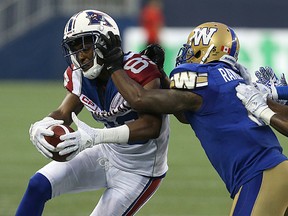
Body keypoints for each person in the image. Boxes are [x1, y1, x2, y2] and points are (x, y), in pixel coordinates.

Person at [96, 22, 288, 215]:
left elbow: (141, 100)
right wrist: (161, 76)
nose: (187, 54)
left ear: (208, 49)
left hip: (260, 174)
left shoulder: (205, 78)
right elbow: (184, 113)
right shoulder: (232, 79)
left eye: (192, 50)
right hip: (276, 169)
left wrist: (114, 66)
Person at [15, 9, 170, 216]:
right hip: (108, 152)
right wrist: (40, 125)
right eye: (74, 47)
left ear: (106, 42)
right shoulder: (79, 75)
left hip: (140, 170)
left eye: (85, 46)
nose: (80, 55)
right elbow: (63, 112)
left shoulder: (139, 69)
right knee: (38, 185)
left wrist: (97, 136)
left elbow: (151, 126)